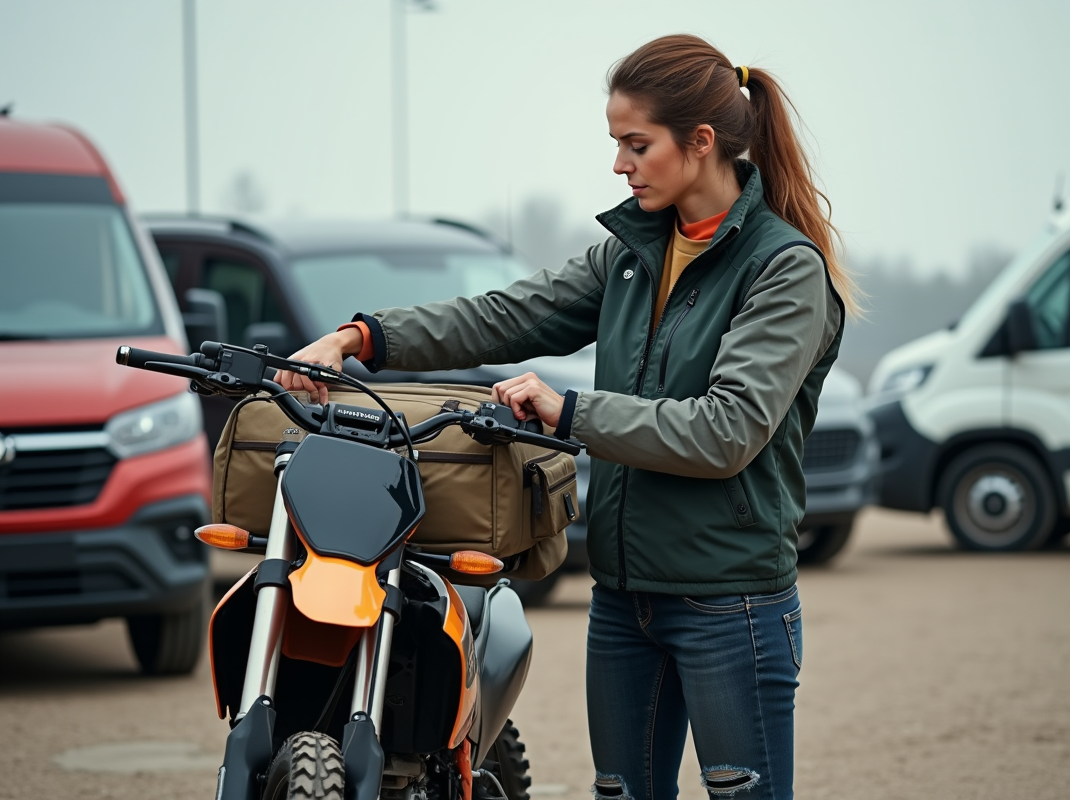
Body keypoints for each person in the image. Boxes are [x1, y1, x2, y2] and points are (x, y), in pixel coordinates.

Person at [278, 33, 854, 800]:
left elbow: (725, 431)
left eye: (636, 144)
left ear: (702, 142)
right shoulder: (628, 254)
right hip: (622, 598)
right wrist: (360, 337)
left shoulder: (784, 270)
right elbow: (502, 315)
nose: (620, 164)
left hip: (730, 601)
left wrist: (571, 411)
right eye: (617, 143)